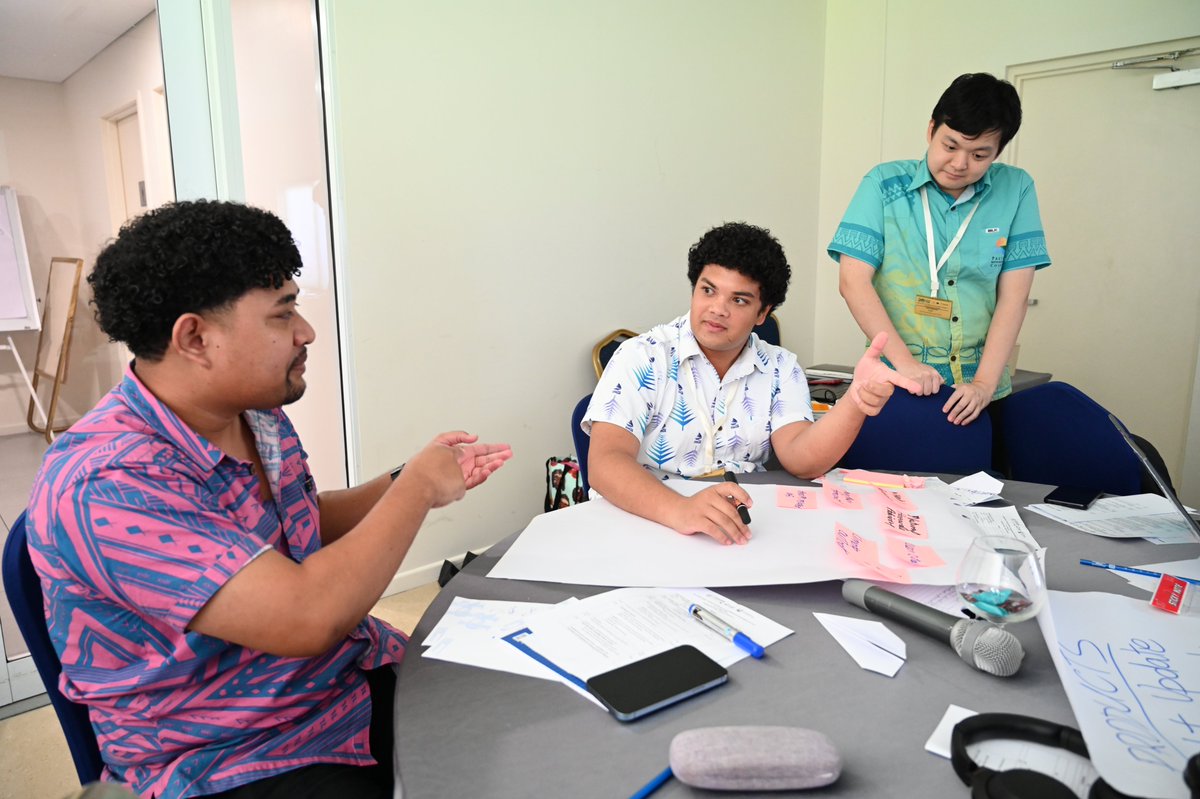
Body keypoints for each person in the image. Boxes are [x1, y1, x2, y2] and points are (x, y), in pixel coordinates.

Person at [24, 200, 512, 799]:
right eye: (283, 315)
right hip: (236, 753)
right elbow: (305, 616)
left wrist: (399, 478)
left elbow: (296, 526)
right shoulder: (106, 482)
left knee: (526, 719)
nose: (305, 333)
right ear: (195, 337)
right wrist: (415, 491)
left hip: (341, 680)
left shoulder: (256, 414)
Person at [581, 222, 917, 546]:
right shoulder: (642, 356)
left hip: (736, 525)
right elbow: (605, 463)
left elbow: (802, 460)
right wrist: (680, 510)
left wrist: (855, 402)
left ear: (763, 313)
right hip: (646, 520)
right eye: (708, 290)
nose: (717, 309)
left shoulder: (781, 367)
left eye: (739, 300)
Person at [829, 73, 1051, 426]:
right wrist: (905, 365)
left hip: (977, 394)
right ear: (931, 129)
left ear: (999, 150)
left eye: (980, 154)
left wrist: (982, 385)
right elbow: (853, 282)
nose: (960, 164)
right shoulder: (884, 186)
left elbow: (1014, 297)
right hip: (896, 381)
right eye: (950, 146)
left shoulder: (1016, 189)